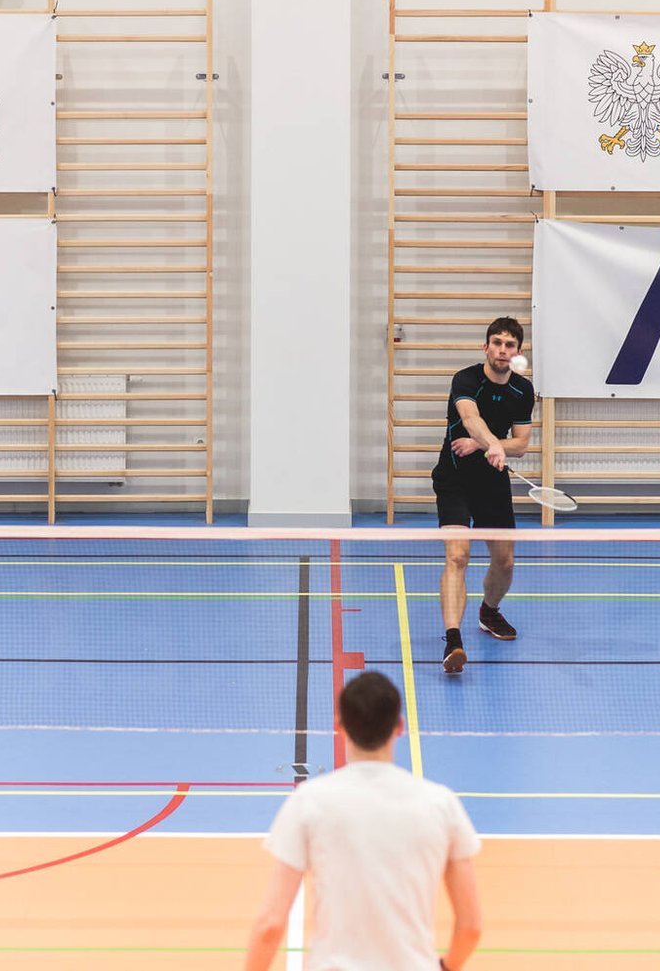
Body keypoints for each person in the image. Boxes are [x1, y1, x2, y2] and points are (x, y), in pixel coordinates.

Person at [244, 671, 482, 970]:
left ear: (339, 726)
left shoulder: (309, 801)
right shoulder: (441, 804)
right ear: (399, 726)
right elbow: (471, 926)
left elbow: (270, 924)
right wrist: (447, 966)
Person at [431, 317, 535, 674]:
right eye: (497, 343)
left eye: (510, 345)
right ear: (486, 347)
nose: (502, 350)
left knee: (505, 563)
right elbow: (470, 418)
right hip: (454, 479)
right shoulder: (466, 379)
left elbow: (521, 444)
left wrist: (483, 446)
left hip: (493, 481)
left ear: (518, 351)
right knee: (457, 556)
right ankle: (453, 640)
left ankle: (489, 611)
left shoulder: (522, 390)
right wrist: (491, 442)